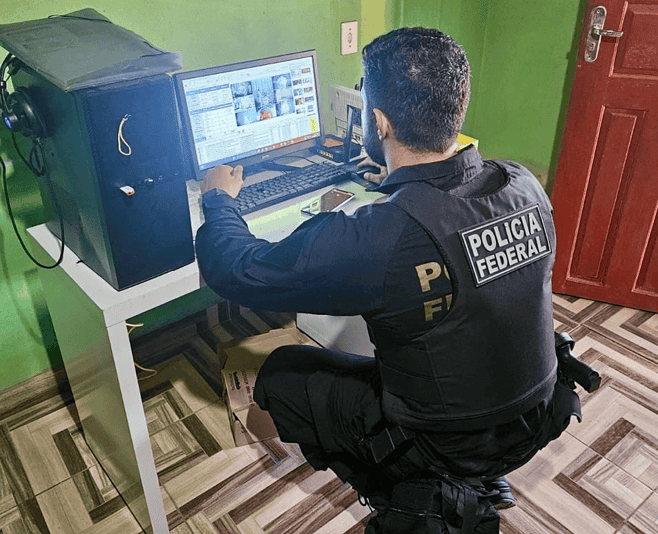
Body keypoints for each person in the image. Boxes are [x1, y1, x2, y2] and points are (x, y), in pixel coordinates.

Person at [196, 27, 579, 533]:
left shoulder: (380, 237)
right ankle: (476, 478)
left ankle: (420, 494)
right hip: (536, 415)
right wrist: (398, 182)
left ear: (378, 121)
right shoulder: (523, 184)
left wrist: (218, 199)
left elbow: (235, 268)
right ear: (459, 103)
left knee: (283, 372)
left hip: (443, 442)